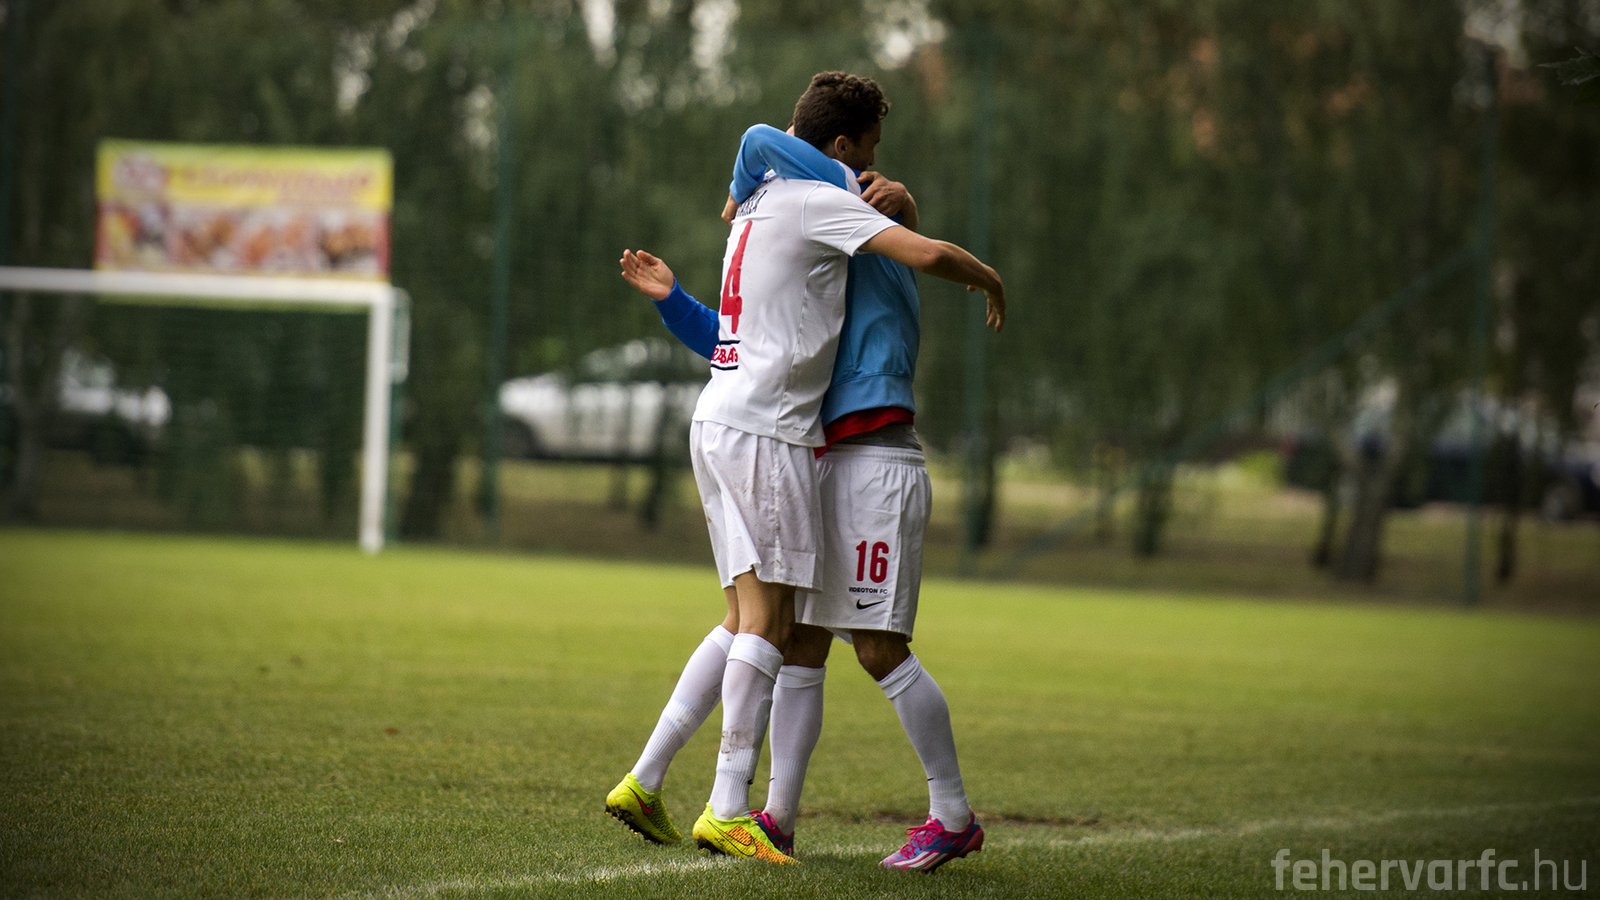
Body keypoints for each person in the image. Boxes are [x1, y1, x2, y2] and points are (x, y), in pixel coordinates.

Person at [608, 71, 1004, 869]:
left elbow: (877, 262)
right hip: (791, 442)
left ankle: (946, 812)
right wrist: (983, 272)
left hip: (863, 453)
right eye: (868, 152)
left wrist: (904, 208)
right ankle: (754, 813)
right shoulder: (820, 206)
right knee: (786, 634)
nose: (875, 169)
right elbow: (766, 152)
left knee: (851, 643)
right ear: (841, 148)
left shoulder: (791, 213)